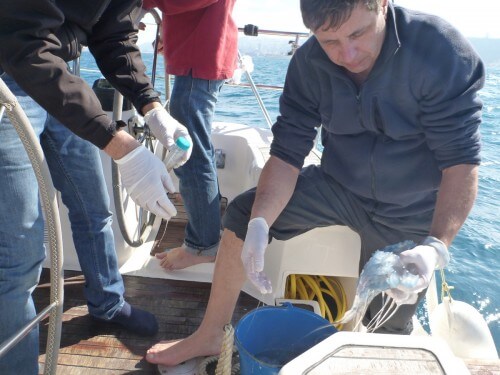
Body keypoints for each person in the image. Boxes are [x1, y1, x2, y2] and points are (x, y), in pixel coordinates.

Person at [145, 0, 484, 366]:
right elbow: (288, 153)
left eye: (358, 33)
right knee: (244, 213)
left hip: (411, 208)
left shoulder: (440, 50)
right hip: (337, 187)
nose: (347, 54)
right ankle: (210, 333)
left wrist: (435, 246)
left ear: (382, 5)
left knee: (386, 329)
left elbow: (461, 162)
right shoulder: (307, 64)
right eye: (329, 41)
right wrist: (260, 223)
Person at [0, 0, 193, 373]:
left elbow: (114, 30)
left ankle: (107, 301)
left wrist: (151, 106)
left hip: (59, 70)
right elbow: (21, 39)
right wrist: (123, 147)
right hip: (10, 74)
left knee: (95, 207)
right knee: (19, 258)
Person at [141, 0, 238, 271]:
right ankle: (206, 237)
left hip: (199, 59)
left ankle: (203, 246)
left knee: (191, 156)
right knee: (196, 152)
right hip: (199, 54)